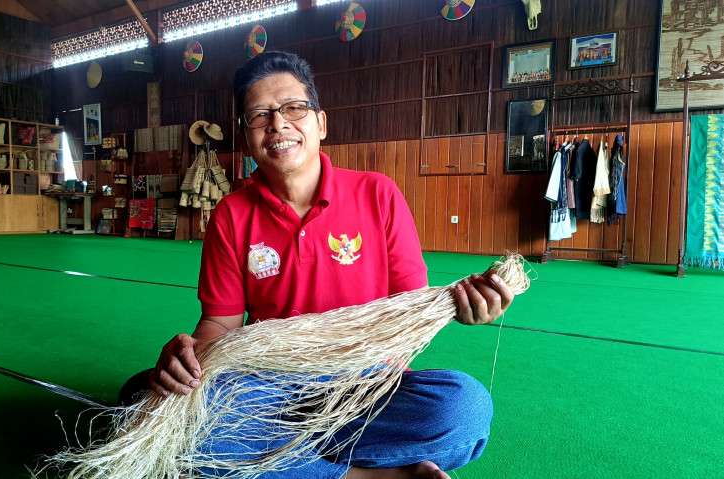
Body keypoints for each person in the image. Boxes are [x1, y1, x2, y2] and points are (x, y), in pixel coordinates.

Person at [139, 51, 514, 479]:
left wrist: (461, 306)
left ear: (320, 123)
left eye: (293, 108)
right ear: (245, 139)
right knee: (164, 404)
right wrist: (189, 358)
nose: (277, 124)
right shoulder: (231, 214)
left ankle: (288, 458)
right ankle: (371, 474)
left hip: (368, 386)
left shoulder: (379, 194)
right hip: (270, 384)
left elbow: (410, 308)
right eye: (259, 115)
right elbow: (219, 324)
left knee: (464, 408)